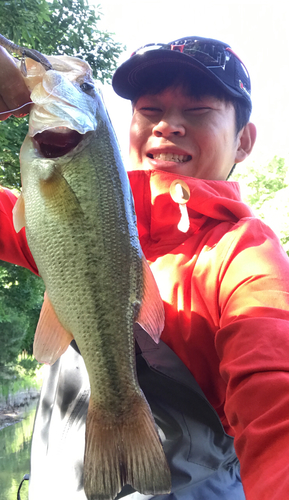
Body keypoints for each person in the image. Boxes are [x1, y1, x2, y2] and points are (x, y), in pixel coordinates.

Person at [1, 36, 289, 500]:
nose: (168, 126)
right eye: (149, 110)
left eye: (197, 111)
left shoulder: (244, 256)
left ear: (244, 141)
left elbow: (277, 404)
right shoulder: (64, 218)